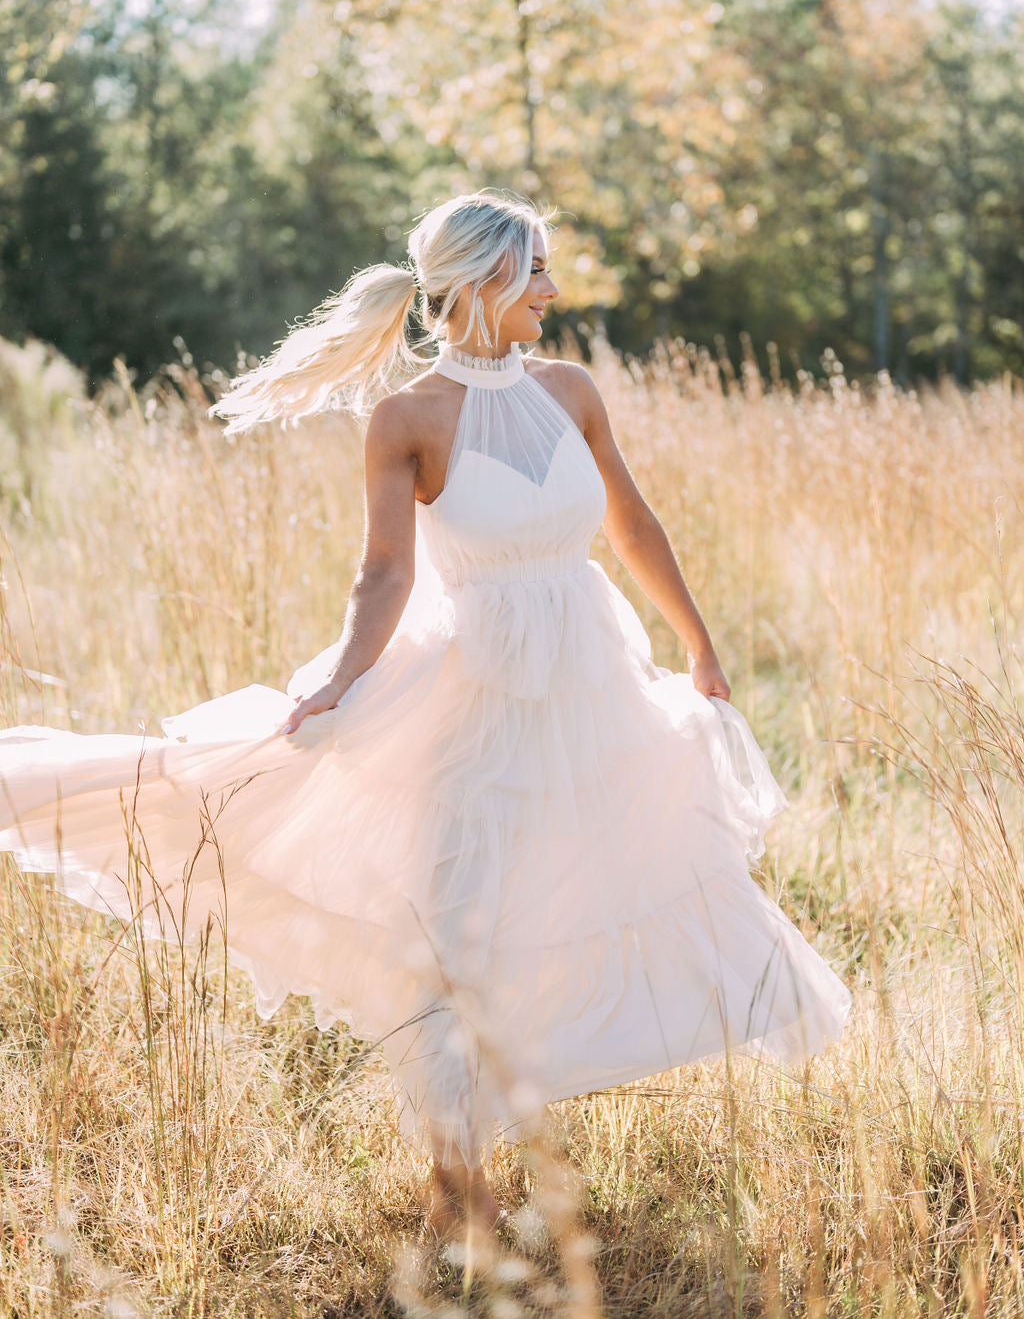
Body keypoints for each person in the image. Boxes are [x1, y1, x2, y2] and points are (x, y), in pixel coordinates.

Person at [0, 188, 852, 1237]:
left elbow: (630, 521)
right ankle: (459, 1186)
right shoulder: (406, 418)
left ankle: (492, 1149)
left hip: (592, 689)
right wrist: (341, 681)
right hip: (464, 699)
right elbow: (384, 574)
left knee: (600, 889)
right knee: (454, 932)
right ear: (484, 279)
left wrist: (701, 645)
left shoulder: (571, 389)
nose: (551, 288)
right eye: (534, 268)